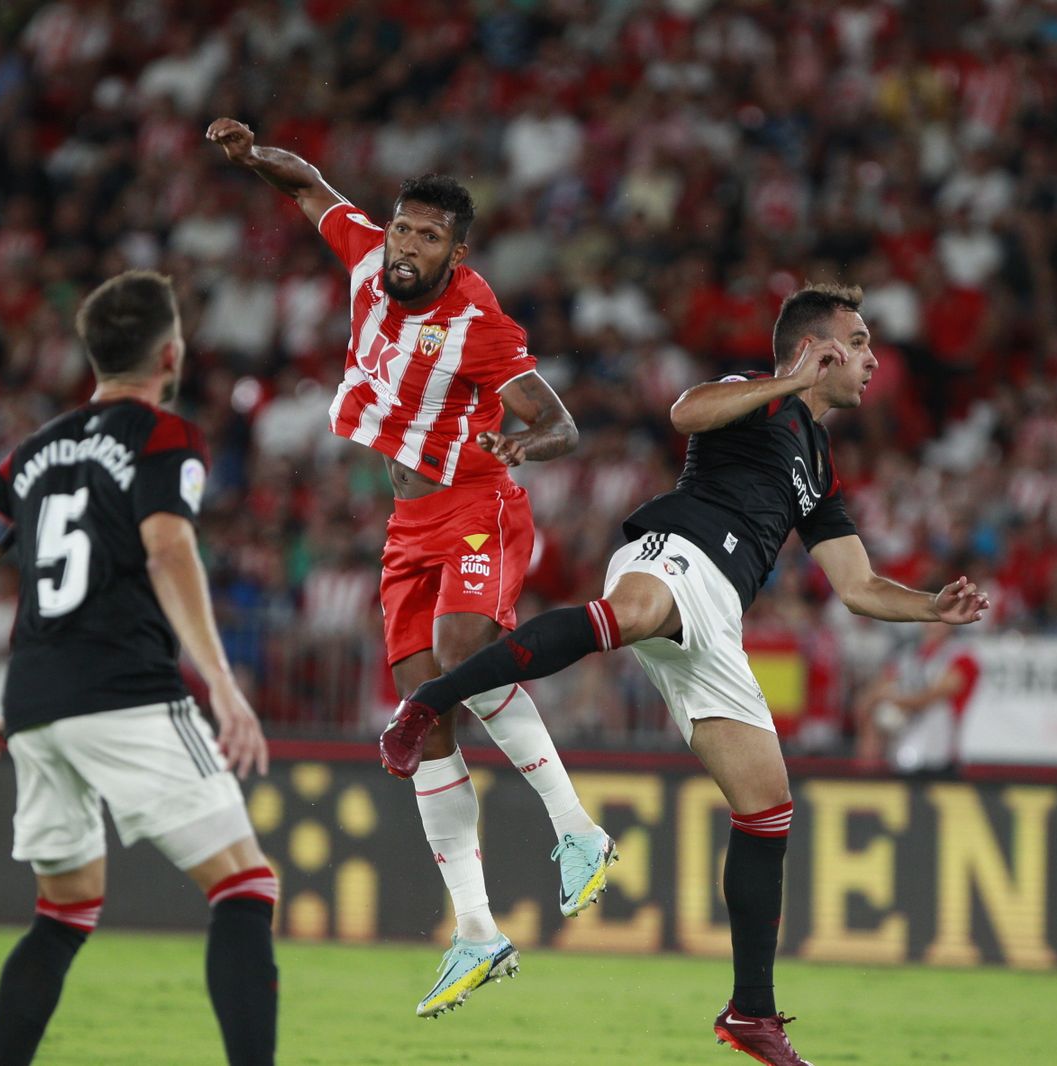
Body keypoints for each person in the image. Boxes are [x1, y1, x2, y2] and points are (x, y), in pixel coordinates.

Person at [380, 286, 991, 1066]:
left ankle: (751, 1014)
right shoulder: (755, 396)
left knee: (767, 805)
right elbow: (686, 414)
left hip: (718, 617)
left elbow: (858, 585)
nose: (873, 360)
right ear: (820, 347)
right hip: (680, 549)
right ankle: (429, 700)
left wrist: (931, 607)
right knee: (628, 615)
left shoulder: (819, 463)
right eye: (860, 342)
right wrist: (791, 380)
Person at [207, 117, 616, 1017]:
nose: (405, 246)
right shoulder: (366, 260)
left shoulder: (475, 317)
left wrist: (526, 443)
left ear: (454, 251)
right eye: (401, 228)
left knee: (464, 653)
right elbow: (309, 185)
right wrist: (249, 157)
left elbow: (559, 421)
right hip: (409, 520)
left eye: (428, 238)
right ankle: (475, 930)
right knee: (423, 711)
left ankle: (577, 830)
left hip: (480, 503)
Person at [0, 271, 278, 1066]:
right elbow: (167, 545)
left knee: (64, 910)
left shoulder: (30, 454)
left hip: (35, 701)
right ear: (171, 353)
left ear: (92, 355)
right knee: (246, 888)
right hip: (126, 694)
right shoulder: (165, 436)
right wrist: (219, 678)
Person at [851, 620, 979, 773]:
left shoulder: (961, 655)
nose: (934, 625)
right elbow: (873, 694)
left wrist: (893, 699)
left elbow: (933, 696)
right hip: (903, 749)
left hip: (941, 752)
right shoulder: (908, 655)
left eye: (940, 620)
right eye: (931, 618)